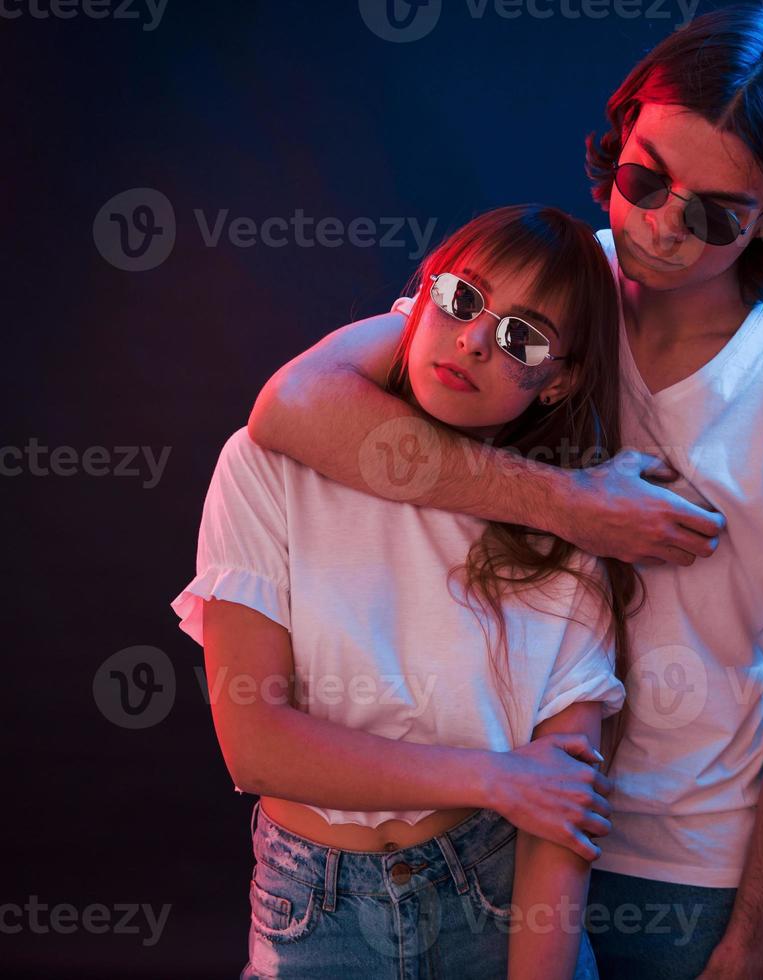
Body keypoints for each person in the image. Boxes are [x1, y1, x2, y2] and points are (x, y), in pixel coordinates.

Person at [244, 6, 763, 978]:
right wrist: (570, 504)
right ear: (623, 128)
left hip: (684, 870)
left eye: (714, 214)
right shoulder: (531, 287)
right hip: (486, 834)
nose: (660, 227)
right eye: (645, 178)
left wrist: (753, 937)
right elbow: (291, 408)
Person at [171, 204, 652, 979]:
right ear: (419, 300)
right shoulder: (269, 465)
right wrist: (494, 775)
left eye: (520, 337)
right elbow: (255, 747)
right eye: (463, 299)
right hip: (314, 915)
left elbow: (559, 819)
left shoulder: (568, 528)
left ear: (558, 381)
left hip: (491, 905)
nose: (471, 340)